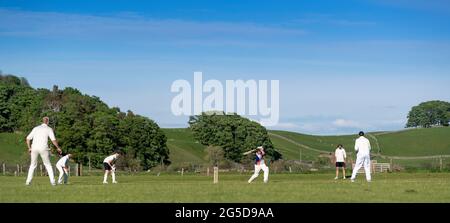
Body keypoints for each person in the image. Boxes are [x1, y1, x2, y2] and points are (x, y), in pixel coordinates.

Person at [25, 117, 62, 186]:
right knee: (48, 165)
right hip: (43, 148)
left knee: (32, 165)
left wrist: (29, 148)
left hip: (34, 148)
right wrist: (58, 148)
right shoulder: (49, 129)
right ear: (48, 122)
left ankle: (28, 182)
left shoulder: (36, 128)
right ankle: (53, 182)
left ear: (42, 121)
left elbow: (28, 138)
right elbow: (53, 140)